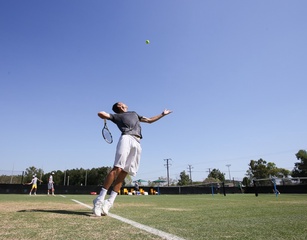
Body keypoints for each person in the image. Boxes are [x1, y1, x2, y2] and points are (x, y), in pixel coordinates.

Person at [93, 102, 172, 216]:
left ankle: (109, 202)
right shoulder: (117, 116)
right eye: (122, 103)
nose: (125, 103)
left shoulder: (134, 114)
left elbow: (149, 120)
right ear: (120, 106)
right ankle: (99, 200)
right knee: (117, 169)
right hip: (126, 138)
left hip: (138, 142)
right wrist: (105, 116)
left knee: (125, 173)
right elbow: (100, 113)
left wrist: (163, 114)